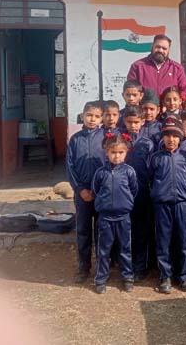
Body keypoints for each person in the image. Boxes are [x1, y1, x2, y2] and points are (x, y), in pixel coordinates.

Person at [149, 116, 186, 294]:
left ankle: (184, 275)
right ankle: (165, 275)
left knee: (184, 240)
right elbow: (150, 179)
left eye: (175, 136)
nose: (171, 139)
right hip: (162, 204)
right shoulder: (155, 158)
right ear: (162, 137)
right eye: (167, 135)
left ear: (181, 138)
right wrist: (158, 194)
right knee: (163, 240)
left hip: (182, 203)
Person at [92, 134, 138, 294]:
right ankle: (101, 279)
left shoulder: (129, 172)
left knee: (125, 248)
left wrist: (125, 203)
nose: (116, 156)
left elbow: (133, 190)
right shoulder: (100, 173)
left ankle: (127, 277)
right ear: (106, 152)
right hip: (105, 218)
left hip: (123, 217)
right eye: (113, 152)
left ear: (126, 153)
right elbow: (95, 190)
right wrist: (104, 204)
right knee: (103, 249)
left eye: (120, 153)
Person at [66, 101, 106, 283]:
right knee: (83, 230)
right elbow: (70, 167)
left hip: (101, 193)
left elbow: (111, 163)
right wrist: (80, 189)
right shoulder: (75, 139)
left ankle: (102, 267)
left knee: (101, 230)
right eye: (89, 115)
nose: (92, 119)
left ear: (101, 119)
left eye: (97, 116)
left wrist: (102, 189)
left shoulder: (105, 137)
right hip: (82, 193)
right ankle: (84, 267)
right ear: (82, 116)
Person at [122, 106, 155, 278]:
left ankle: (141, 266)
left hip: (142, 192)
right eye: (130, 122)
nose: (133, 125)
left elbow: (152, 169)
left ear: (142, 122)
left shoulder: (148, 143)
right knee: (126, 230)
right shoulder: (120, 141)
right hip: (123, 193)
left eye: (136, 122)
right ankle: (126, 265)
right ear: (124, 121)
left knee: (142, 229)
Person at [127, 34, 186, 100]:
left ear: (168, 50)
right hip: (145, 106)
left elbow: (185, 91)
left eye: (164, 48)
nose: (160, 50)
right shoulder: (137, 66)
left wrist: (174, 101)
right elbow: (130, 90)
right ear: (152, 47)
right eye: (158, 47)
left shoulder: (177, 69)